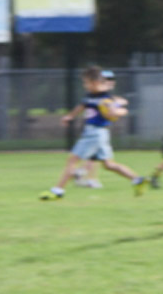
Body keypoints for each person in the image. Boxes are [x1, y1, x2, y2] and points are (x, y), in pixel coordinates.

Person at [40, 66, 148, 200]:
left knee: (72, 159)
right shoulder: (91, 95)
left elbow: (116, 111)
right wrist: (69, 116)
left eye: (86, 82)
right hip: (99, 134)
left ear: (95, 82)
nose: (84, 85)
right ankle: (137, 180)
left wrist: (119, 111)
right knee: (108, 165)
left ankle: (58, 191)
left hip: (95, 133)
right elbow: (82, 106)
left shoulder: (105, 98)